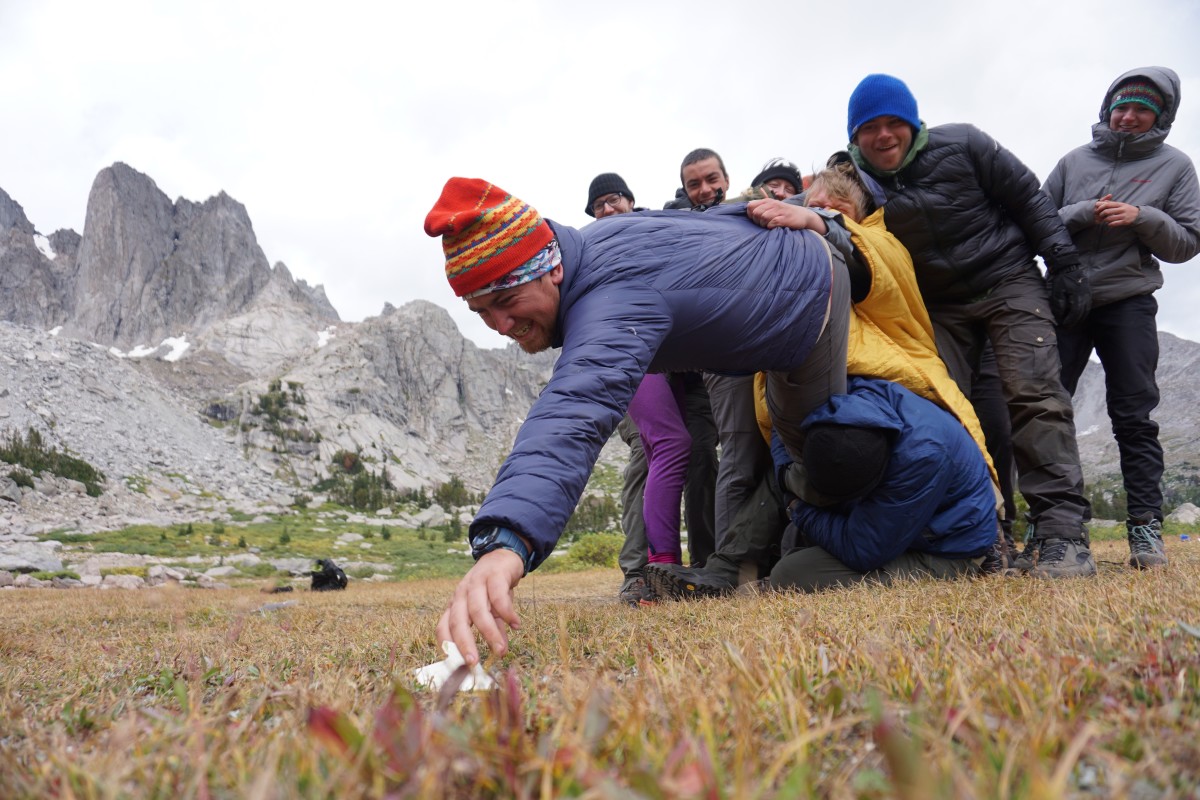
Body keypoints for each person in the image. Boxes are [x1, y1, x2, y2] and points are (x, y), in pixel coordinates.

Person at [424, 177, 850, 665]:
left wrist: (506, 543)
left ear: (551, 270)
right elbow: (693, 225)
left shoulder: (612, 301)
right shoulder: (594, 242)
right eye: (481, 310)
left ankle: (862, 554)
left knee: (812, 452)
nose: (500, 326)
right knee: (777, 450)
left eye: (507, 299)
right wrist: (815, 216)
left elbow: (572, 413)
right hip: (788, 269)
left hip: (811, 298)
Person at [646, 158, 1004, 599]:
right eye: (816, 206)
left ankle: (975, 558)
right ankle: (726, 570)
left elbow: (864, 260)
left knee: (803, 544)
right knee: (794, 473)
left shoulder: (881, 242)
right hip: (840, 406)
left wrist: (819, 220)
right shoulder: (794, 256)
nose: (820, 216)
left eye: (837, 210)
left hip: (884, 418)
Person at [845, 73, 1095, 579]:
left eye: (896, 123)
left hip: (1008, 280)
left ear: (915, 124)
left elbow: (1028, 197)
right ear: (855, 137)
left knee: (1035, 394)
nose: (885, 136)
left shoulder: (964, 143)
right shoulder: (856, 184)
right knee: (946, 414)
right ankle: (985, 536)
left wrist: (1064, 264)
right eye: (871, 127)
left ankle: (1062, 535)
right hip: (938, 308)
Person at [1043, 66, 1200, 569]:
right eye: (1122, 106)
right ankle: (1052, 527)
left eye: (1142, 109)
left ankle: (1146, 530)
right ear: (1107, 109)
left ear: (1161, 117)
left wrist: (1144, 219)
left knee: (1134, 417)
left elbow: (1188, 243)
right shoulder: (1073, 162)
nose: (1128, 116)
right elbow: (1035, 224)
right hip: (1066, 297)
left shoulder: (1175, 167)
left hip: (1129, 299)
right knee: (1045, 410)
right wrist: (1084, 211)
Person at [583, 172, 718, 604]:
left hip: (684, 368)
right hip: (631, 367)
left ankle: (705, 564)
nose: (608, 208)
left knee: (700, 453)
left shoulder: (656, 228)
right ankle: (642, 571)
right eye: (599, 204)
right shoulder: (590, 250)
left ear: (630, 201)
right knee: (653, 451)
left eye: (614, 199)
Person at [766, 377, 996, 592]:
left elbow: (862, 549)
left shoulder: (921, 457)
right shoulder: (844, 404)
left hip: (948, 549)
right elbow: (781, 425)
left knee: (789, 574)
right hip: (903, 521)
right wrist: (787, 473)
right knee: (801, 547)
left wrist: (797, 507)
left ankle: (971, 567)